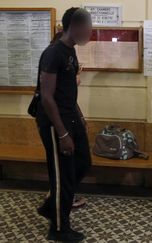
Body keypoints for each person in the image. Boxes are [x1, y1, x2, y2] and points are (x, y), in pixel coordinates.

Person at [35, 7, 92, 242]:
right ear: (74, 27)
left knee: (83, 164)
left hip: (70, 117)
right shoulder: (54, 53)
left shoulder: (70, 51)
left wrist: (79, 117)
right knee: (63, 176)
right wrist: (62, 133)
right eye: (87, 26)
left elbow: (67, 91)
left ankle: (51, 206)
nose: (90, 31)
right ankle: (58, 228)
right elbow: (47, 97)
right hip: (54, 123)